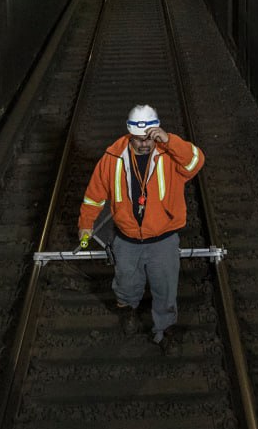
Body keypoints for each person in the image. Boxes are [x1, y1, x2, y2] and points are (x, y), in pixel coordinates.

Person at [78, 104, 205, 352]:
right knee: (125, 282)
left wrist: (170, 140)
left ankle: (165, 330)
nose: (145, 144)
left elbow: (195, 162)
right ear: (129, 135)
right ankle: (128, 312)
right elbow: (94, 196)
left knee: (165, 287)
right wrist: (85, 226)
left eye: (149, 138)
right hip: (127, 240)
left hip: (163, 239)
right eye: (138, 140)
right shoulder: (112, 159)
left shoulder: (170, 155)